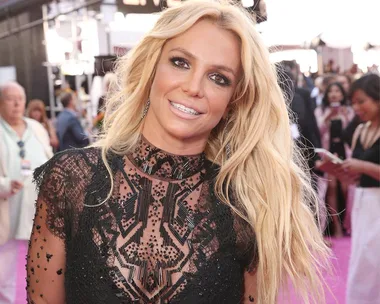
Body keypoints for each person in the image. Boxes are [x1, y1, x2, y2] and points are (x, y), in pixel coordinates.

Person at [26, 1, 330, 303]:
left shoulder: (246, 206)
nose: (193, 87)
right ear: (152, 66)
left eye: (218, 78)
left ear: (233, 102)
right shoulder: (71, 181)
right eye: (181, 62)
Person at [0, 82, 53, 304]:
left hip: (38, 209)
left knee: (44, 263)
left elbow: (52, 160)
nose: (16, 103)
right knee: (5, 269)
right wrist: (4, 185)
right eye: (10, 99)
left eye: (20, 98)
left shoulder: (37, 128)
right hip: (7, 209)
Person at [335, 74, 380, 304]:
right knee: (363, 263)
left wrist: (363, 166)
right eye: (353, 102)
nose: (356, 107)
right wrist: (343, 171)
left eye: (362, 101)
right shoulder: (361, 130)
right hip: (364, 203)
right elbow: (357, 179)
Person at [315, 82, 354, 237]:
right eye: (331, 91)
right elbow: (317, 131)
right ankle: (336, 225)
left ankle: (348, 223)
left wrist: (344, 116)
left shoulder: (349, 110)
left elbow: (352, 133)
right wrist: (327, 117)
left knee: (346, 188)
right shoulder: (320, 110)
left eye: (337, 90)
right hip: (328, 152)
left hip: (345, 152)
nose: (334, 94)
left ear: (342, 94)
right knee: (330, 188)